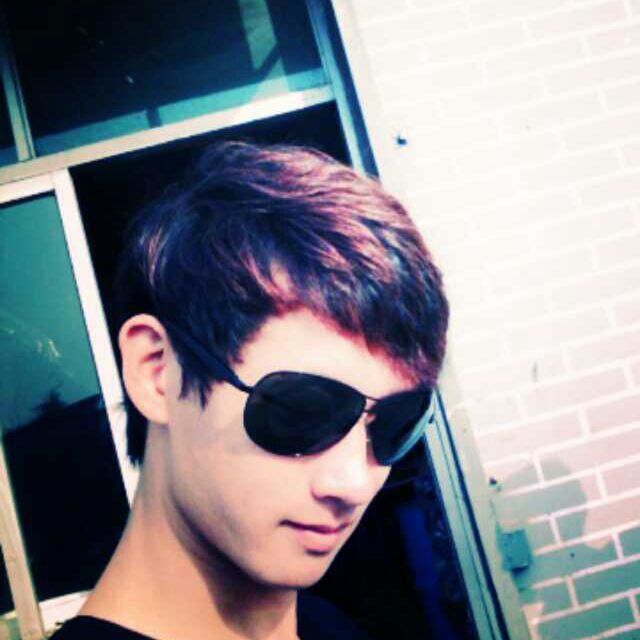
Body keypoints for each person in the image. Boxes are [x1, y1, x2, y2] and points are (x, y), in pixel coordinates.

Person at [50, 141, 449, 640]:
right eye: (303, 411)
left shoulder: (332, 629)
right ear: (158, 372)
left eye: (395, 425)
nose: (354, 482)